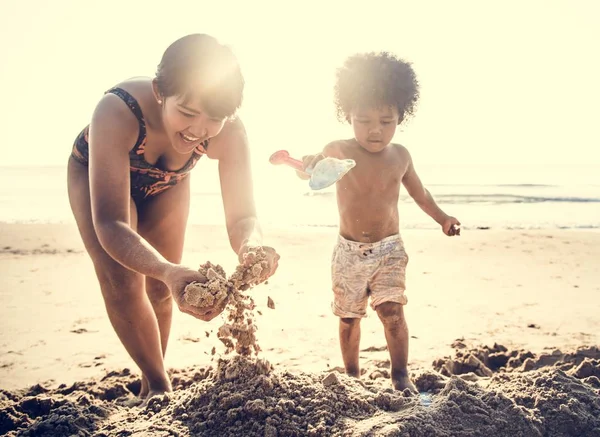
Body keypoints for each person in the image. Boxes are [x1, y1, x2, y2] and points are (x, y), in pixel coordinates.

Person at [67, 34, 279, 401]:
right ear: (160, 91)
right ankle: (159, 387)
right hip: (98, 180)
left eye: (214, 118)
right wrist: (165, 269)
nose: (198, 129)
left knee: (163, 288)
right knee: (123, 278)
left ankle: (152, 381)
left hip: (168, 183)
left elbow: (244, 215)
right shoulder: (117, 110)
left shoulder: (229, 131)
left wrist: (252, 247)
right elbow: (111, 223)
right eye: (187, 112)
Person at [298, 52, 460, 392]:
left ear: (401, 114)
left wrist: (443, 218)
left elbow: (420, 194)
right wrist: (310, 162)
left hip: (389, 250)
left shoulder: (400, 155)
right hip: (348, 252)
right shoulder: (339, 149)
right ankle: (353, 376)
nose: (375, 130)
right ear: (348, 115)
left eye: (386, 121)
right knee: (348, 317)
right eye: (364, 120)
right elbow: (316, 171)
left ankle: (400, 374)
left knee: (392, 312)